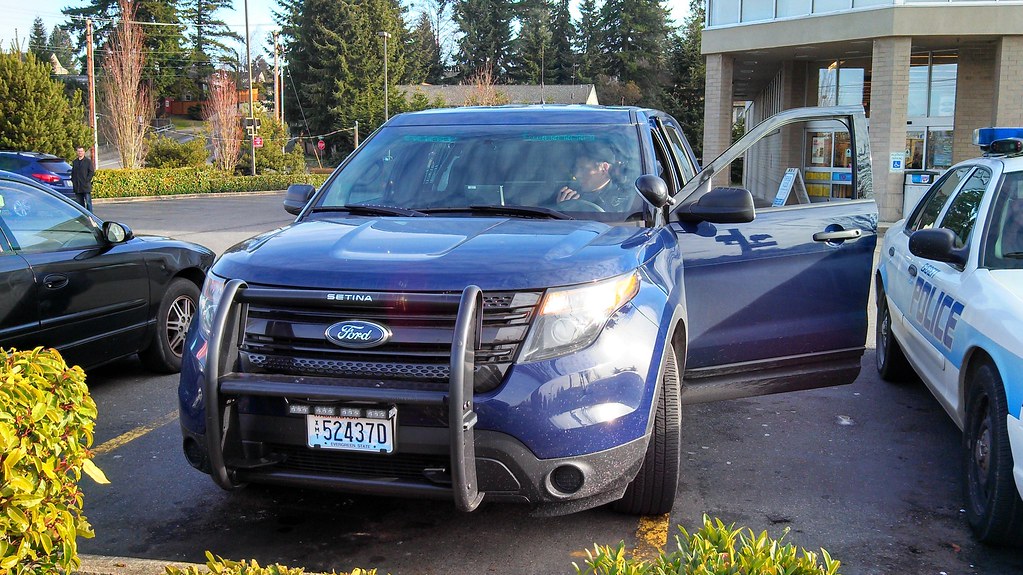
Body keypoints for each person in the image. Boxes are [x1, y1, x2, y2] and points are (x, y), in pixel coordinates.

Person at [555, 144, 633, 211]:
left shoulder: (623, 200)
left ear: (604, 168)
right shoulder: (569, 194)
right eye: (577, 169)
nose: (577, 175)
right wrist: (561, 210)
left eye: (583, 169)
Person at [71, 146, 94, 211]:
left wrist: (87, 180)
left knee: (88, 203)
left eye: (81, 151)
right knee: (80, 204)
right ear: (77, 152)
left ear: (84, 152)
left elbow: (91, 172)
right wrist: (73, 181)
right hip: (77, 187)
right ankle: (83, 217)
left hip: (85, 186)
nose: (80, 153)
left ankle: (90, 216)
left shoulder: (88, 161)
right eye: (79, 151)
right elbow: (73, 173)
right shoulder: (75, 162)